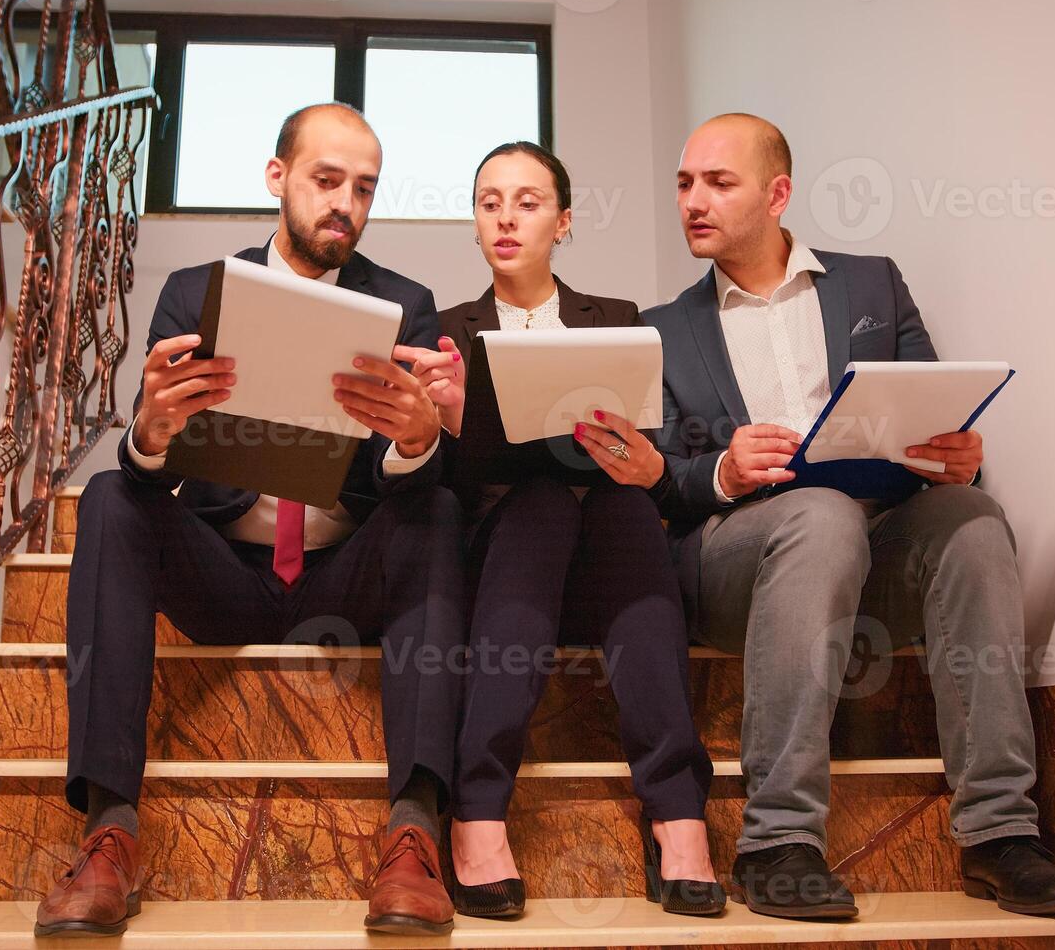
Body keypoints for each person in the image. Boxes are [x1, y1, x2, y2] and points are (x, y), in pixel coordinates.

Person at [643, 113, 1055, 921]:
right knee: (818, 515)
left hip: (869, 544)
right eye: (684, 184)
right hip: (732, 564)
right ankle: (777, 841)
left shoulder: (873, 284)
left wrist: (956, 455)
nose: (693, 201)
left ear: (778, 194)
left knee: (972, 517)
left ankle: (1000, 835)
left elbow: (927, 407)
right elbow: (655, 485)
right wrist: (720, 469)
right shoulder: (662, 329)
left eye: (718, 182)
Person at [36, 103, 466, 938]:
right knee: (109, 496)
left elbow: (407, 486)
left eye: (365, 188)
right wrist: (150, 434)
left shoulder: (407, 304)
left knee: (441, 504)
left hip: (347, 578)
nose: (346, 203)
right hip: (224, 575)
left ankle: (414, 833)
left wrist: (418, 441)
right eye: (326, 180)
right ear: (278, 178)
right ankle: (109, 834)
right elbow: (144, 463)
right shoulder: (195, 292)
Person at [429, 142, 725, 920]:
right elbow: (443, 489)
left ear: (563, 222)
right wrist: (461, 426)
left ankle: (678, 811)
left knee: (625, 504)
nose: (505, 217)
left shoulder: (618, 321)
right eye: (489, 201)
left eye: (527, 202)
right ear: (474, 222)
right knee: (542, 503)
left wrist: (635, 461)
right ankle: (478, 807)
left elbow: (646, 447)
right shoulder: (446, 330)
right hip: (503, 559)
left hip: (608, 551)